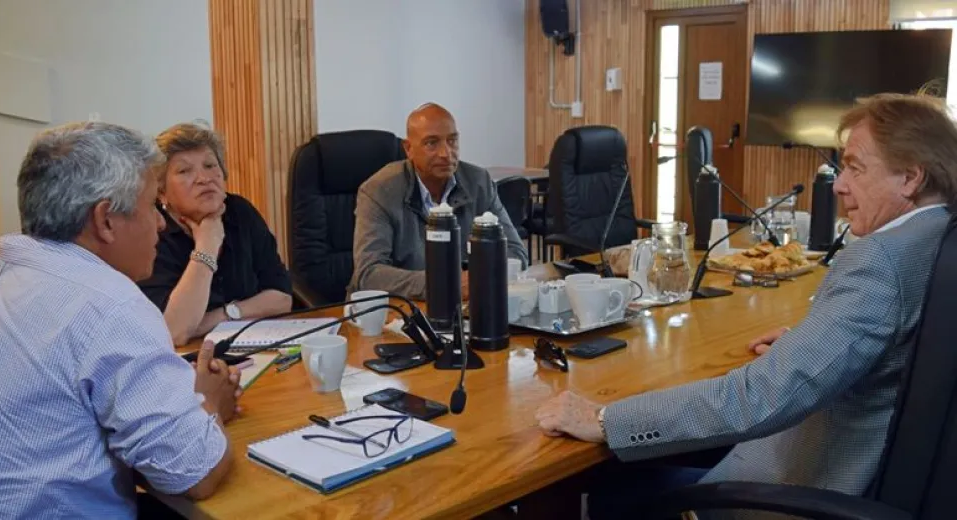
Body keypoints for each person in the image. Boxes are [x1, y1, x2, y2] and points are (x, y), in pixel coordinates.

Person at [535, 93, 957, 518]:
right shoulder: (935, 238)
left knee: (597, 485)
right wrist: (813, 346)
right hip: (871, 477)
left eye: (855, 167)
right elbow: (898, 346)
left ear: (910, 178)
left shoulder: (880, 259)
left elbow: (757, 398)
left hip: (792, 494)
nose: (841, 183)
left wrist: (606, 419)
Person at [0, 122, 241, 518]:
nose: (161, 224)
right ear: (106, 220)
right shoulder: (107, 303)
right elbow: (194, 473)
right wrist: (209, 401)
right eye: (151, 206)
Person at [350, 103, 529, 301]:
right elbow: (369, 274)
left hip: (467, 310)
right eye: (431, 143)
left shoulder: (478, 182)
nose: (446, 153)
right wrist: (445, 285)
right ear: (408, 149)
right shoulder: (379, 191)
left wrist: (479, 279)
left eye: (452, 141)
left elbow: (516, 253)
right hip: (398, 311)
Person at [138, 123, 293, 345]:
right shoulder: (151, 233)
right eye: (184, 171)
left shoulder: (240, 212)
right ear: (161, 192)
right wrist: (207, 245)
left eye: (210, 165)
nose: (204, 178)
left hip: (255, 348)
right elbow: (175, 331)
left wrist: (224, 315)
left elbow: (281, 297)